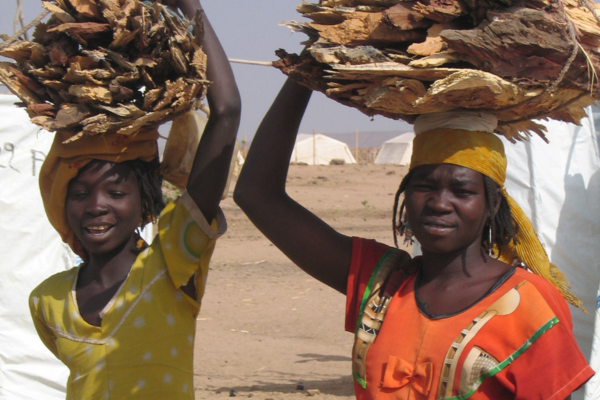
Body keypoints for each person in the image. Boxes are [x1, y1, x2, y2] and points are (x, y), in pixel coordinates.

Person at [233, 78, 594, 399]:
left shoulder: (529, 305)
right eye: (424, 186)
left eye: (462, 190)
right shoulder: (383, 283)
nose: (439, 203)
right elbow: (256, 194)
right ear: (405, 195)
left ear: (492, 203)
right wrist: (304, 75)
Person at [28, 1, 241, 398]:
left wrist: (189, 7)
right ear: (60, 201)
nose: (96, 205)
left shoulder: (172, 261)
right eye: (79, 193)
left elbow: (226, 112)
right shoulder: (47, 300)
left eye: (115, 191)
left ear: (145, 199)